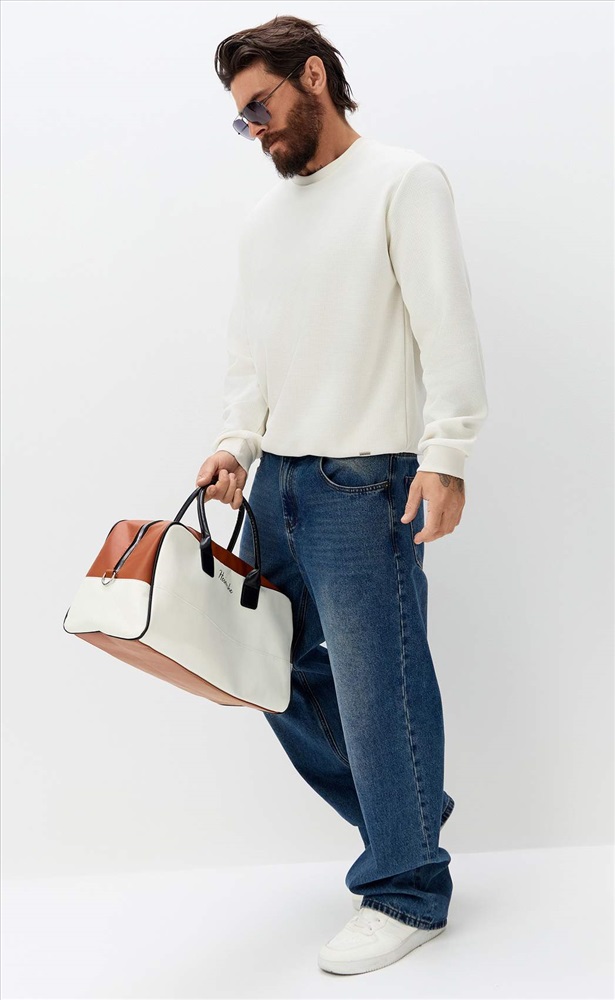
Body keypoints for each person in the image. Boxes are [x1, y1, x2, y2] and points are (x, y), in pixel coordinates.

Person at [195, 14, 488, 977]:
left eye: (260, 107)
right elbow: (251, 359)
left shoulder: (403, 182)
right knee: (262, 669)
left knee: (377, 688)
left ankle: (406, 889)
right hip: (274, 481)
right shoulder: (263, 222)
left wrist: (446, 455)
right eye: (241, 118)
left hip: (365, 483)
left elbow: (445, 326)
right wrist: (233, 446)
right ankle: (410, 818)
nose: (253, 130)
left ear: (313, 76)